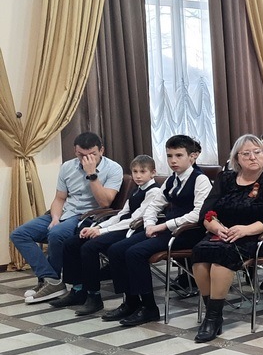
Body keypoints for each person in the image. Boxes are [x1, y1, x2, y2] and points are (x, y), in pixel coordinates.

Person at [102, 135, 211, 326]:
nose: (173, 161)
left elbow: (197, 215)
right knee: (116, 249)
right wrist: (150, 224)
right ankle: (131, 302)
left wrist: (162, 226)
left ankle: (149, 308)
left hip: (188, 233)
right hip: (167, 230)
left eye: (178, 155)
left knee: (135, 253)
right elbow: (154, 206)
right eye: (169, 156)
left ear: (192, 156)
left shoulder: (200, 180)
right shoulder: (171, 180)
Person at [191, 135, 263, 342]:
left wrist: (246, 230)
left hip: (259, 236)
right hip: (223, 233)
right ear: (237, 158)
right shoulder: (225, 178)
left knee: (223, 255)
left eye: (257, 152)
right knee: (200, 252)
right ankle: (213, 314)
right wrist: (216, 227)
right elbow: (206, 211)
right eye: (246, 153)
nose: (253, 157)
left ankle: (212, 318)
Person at [14, 132, 123, 303]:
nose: (86, 159)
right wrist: (55, 217)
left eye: (92, 155)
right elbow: (60, 198)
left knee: (56, 234)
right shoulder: (67, 167)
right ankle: (50, 279)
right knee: (19, 234)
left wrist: (92, 174)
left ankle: (52, 283)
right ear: (75, 152)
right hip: (65, 213)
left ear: (101, 150)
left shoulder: (114, 168)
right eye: (81, 155)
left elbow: (105, 202)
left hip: (87, 216)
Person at [54, 155, 160, 316]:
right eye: (135, 172)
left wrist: (102, 231)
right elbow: (121, 214)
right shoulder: (136, 190)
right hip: (120, 226)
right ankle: (78, 290)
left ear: (153, 173)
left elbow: (134, 219)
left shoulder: (154, 192)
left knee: (90, 247)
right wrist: (97, 226)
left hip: (133, 230)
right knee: (72, 243)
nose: (138, 176)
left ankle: (94, 296)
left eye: (142, 172)